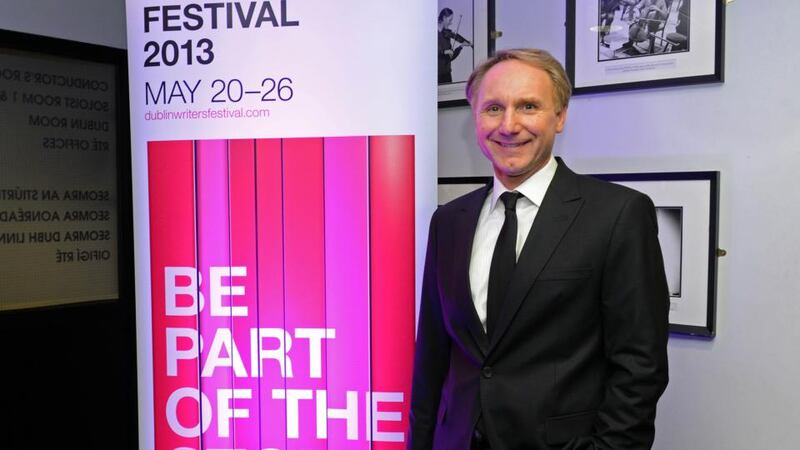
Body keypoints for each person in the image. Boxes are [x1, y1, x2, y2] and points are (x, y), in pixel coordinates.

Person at [409, 48, 669, 450]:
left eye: (528, 106)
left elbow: (640, 367)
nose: (509, 125)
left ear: (560, 116)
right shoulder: (449, 222)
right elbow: (431, 358)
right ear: (475, 118)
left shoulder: (618, 215)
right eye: (493, 108)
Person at [438, 7, 473, 84]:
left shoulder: (446, 34)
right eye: (450, 20)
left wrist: (461, 46)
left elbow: (450, 57)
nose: (451, 23)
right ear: (444, 18)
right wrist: (444, 51)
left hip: (447, 74)